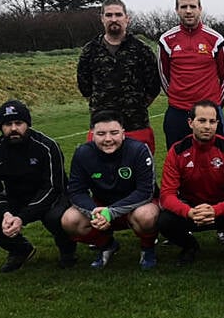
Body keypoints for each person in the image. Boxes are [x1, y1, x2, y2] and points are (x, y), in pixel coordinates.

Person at [0, 100, 75, 272]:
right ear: (0, 127)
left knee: (55, 216)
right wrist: (6, 213)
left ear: (27, 124)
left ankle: (67, 250)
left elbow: (53, 187)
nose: (13, 128)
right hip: (16, 197)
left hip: (48, 197)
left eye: (18, 123)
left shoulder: (47, 146)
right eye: (8, 124)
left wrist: (23, 217)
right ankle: (20, 250)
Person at [158, 100, 224, 266]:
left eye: (212, 121)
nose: (207, 126)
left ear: (217, 123)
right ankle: (190, 246)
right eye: (202, 121)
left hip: (222, 211)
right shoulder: (177, 150)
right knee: (163, 220)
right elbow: (167, 195)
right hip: (192, 211)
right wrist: (189, 212)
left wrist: (216, 210)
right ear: (190, 123)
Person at [61, 110, 159, 269]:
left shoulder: (139, 150)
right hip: (101, 207)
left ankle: (147, 248)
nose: (108, 139)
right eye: (101, 133)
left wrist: (111, 212)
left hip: (135, 207)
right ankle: (107, 245)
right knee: (69, 220)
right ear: (92, 134)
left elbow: (145, 191)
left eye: (114, 133)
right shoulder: (82, 153)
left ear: (123, 133)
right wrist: (95, 211)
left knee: (146, 215)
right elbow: (76, 191)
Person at [77, 0, 161, 154]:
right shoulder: (90, 51)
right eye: (109, 15)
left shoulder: (142, 50)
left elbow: (153, 87)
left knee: (140, 175)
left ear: (127, 18)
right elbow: (85, 88)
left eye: (118, 15)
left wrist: (133, 106)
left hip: (136, 127)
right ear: (102, 19)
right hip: (101, 130)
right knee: (100, 176)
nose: (113, 19)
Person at [158, 0, 224, 149]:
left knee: (217, 160)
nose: (188, 11)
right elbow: (163, 76)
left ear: (200, 8)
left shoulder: (215, 39)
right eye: (183, 7)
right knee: (178, 160)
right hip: (177, 112)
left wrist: (215, 105)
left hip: (209, 112)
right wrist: (178, 97)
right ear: (177, 10)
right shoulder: (166, 40)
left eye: (192, 6)